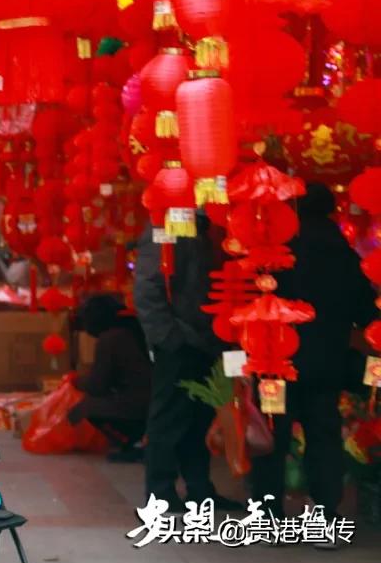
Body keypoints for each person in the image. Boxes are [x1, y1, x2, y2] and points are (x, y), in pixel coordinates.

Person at [250, 183, 378, 523]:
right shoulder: (346, 257)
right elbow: (366, 313)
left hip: (274, 365)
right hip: (326, 366)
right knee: (323, 438)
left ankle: (268, 516)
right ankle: (325, 514)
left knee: (271, 436)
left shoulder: (274, 254)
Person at [134, 213, 241, 512]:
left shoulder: (207, 230)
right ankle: (160, 491)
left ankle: (199, 489)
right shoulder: (163, 227)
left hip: (207, 338)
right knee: (168, 418)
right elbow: (148, 287)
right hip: (180, 339)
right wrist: (169, 337)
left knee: (198, 419)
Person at [67, 294, 152, 463]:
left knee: (84, 408)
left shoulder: (110, 339)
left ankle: (133, 443)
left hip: (139, 403)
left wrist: (76, 381)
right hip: (153, 399)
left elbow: (97, 385)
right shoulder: (131, 329)